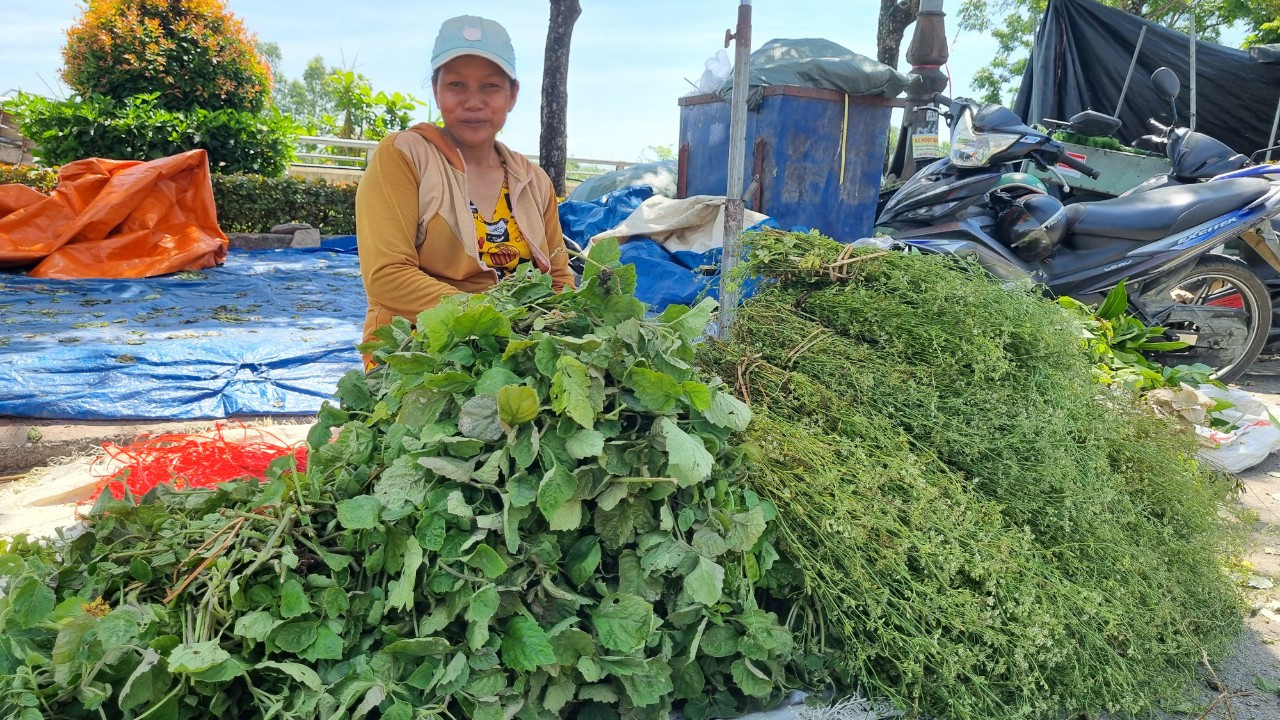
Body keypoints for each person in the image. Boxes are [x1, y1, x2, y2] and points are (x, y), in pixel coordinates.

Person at [355, 15, 575, 351]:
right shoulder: (403, 156)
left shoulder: (534, 181)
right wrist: (492, 317)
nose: (473, 102)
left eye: (491, 86)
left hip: (518, 347)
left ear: (512, 95)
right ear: (436, 90)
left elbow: (560, 279)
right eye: (457, 85)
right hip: (417, 349)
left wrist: (561, 329)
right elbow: (387, 277)